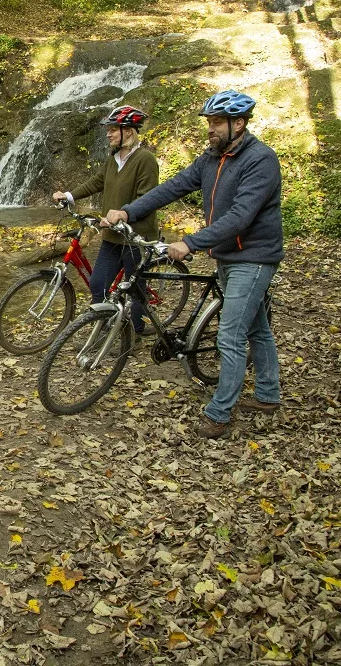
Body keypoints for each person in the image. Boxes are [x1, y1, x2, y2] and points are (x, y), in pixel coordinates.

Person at [105, 90, 283, 439]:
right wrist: (129, 210)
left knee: (230, 336)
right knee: (257, 328)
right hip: (228, 256)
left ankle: (220, 413)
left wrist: (190, 243)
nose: (210, 129)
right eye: (209, 123)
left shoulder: (261, 160)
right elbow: (172, 187)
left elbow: (240, 217)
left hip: (254, 257)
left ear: (239, 123)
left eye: (217, 123)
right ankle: (268, 395)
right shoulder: (211, 159)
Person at [52, 105, 159, 334]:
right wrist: (69, 196)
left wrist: (122, 216)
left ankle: (136, 333)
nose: (108, 134)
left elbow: (147, 198)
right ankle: (103, 331)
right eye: (108, 129)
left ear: (129, 131)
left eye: (113, 129)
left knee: (135, 288)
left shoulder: (145, 159)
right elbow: (96, 182)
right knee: (98, 283)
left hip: (135, 238)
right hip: (112, 236)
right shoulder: (114, 159)